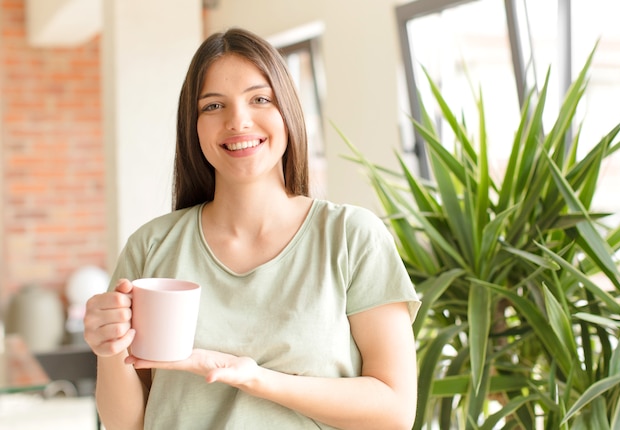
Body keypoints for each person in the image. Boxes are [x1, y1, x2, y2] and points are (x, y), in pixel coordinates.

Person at [83, 27, 421, 430]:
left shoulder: (351, 238)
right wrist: (108, 348)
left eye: (260, 99)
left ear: (288, 112)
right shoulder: (152, 246)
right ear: (193, 128)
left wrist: (254, 377)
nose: (237, 121)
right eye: (212, 106)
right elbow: (128, 424)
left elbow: (395, 411)